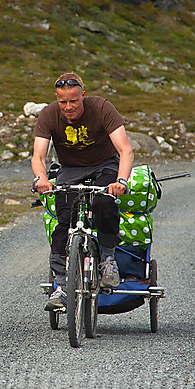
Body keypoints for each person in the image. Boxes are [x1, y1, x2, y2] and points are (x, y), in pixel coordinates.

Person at [31, 72, 134, 310]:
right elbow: (38, 155)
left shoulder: (102, 108)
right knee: (64, 220)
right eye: (62, 101)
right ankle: (60, 285)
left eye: (73, 101)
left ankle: (108, 260)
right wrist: (42, 179)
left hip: (105, 166)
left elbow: (125, 150)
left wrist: (121, 180)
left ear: (83, 96)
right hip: (69, 169)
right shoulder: (49, 114)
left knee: (104, 204)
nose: (68, 107)